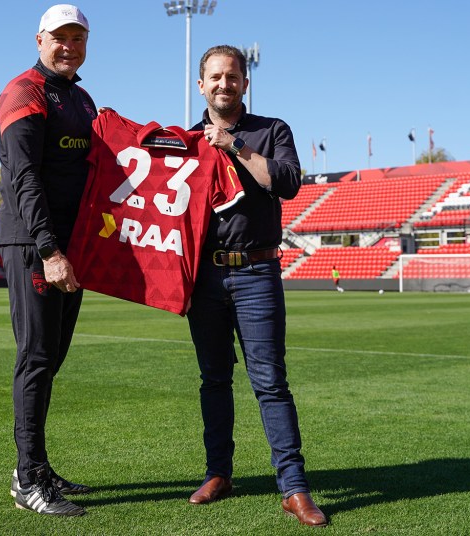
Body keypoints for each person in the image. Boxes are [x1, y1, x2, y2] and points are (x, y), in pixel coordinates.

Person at [185, 45, 328, 527]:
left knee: (270, 382)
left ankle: (293, 487)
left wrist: (234, 146)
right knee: (213, 379)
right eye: (215, 77)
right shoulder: (185, 139)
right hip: (204, 275)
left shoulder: (272, 130)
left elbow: (287, 183)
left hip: (256, 272)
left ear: (245, 83)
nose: (224, 84)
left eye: (232, 76)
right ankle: (218, 473)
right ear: (200, 85)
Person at [0, 4, 96, 517]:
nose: (68, 47)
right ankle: (29, 479)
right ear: (38, 41)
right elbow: (23, 176)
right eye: (59, 38)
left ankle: (33, 465)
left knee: (51, 358)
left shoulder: (81, 97)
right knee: (35, 359)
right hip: (36, 246)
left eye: (77, 38)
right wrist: (50, 248)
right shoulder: (24, 91)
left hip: (68, 247)